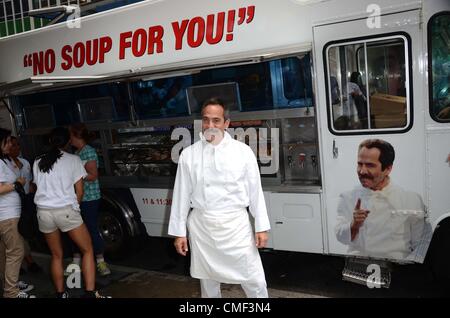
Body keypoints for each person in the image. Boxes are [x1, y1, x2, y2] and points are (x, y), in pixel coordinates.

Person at [168, 97, 271, 298]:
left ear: (226, 123)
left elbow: (255, 192)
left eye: (216, 120)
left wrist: (261, 227)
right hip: (203, 228)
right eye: (206, 120)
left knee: (255, 280)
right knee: (208, 283)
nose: (210, 125)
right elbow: (181, 196)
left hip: (236, 227)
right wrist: (179, 233)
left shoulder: (243, 152)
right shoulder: (188, 155)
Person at [33, 127, 108, 298]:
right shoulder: (73, 159)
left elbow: (37, 185)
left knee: (56, 255)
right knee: (87, 250)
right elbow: (79, 192)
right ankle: (90, 293)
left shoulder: (37, 161)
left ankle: (61, 294)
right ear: (67, 142)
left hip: (43, 213)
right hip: (66, 210)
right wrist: (75, 208)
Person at [335, 139, 432, 263]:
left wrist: (408, 267)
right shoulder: (348, 197)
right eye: (360, 164)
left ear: (388, 169)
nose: (362, 171)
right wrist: (353, 226)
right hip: (358, 269)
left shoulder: (410, 199)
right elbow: (340, 236)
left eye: (370, 165)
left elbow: (421, 242)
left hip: (399, 269)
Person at [65, 123, 111, 277]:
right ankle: (76, 261)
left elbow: (93, 175)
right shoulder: (76, 152)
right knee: (75, 230)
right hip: (77, 197)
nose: (69, 139)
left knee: (91, 228)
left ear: (76, 136)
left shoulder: (88, 152)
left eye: (70, 135)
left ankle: (100, 261)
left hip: (89, 198)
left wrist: (76, 174)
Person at [0, 128, 34, 298]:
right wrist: (16, 184)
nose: (10, 145)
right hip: (6, 215)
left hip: (9, 214)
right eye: (7, 142)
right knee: (16, 251)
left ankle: (9, 284)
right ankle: (11, 292)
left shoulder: (4, 161)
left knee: (5, 251)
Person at [8, 136, 42, 274]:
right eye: (12, 145)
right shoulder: (5, 165)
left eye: (17, 145)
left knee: (25, 232)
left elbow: (30, 183)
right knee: (16, 235)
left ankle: (26, 261)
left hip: (27, 201)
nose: (16, 148)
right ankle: (27, 262)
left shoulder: (25, 163)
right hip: (13, 203)